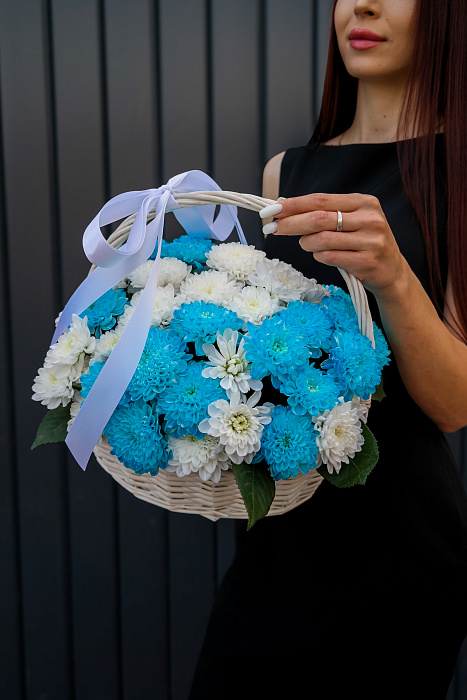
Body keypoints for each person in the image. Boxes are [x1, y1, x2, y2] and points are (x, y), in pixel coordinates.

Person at [188, 1, 467, 697]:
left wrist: (395, 278)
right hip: (280, 532)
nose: (362, 5)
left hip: (399, 547)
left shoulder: (456, 168)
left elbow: (453, 406)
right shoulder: (287, 172)